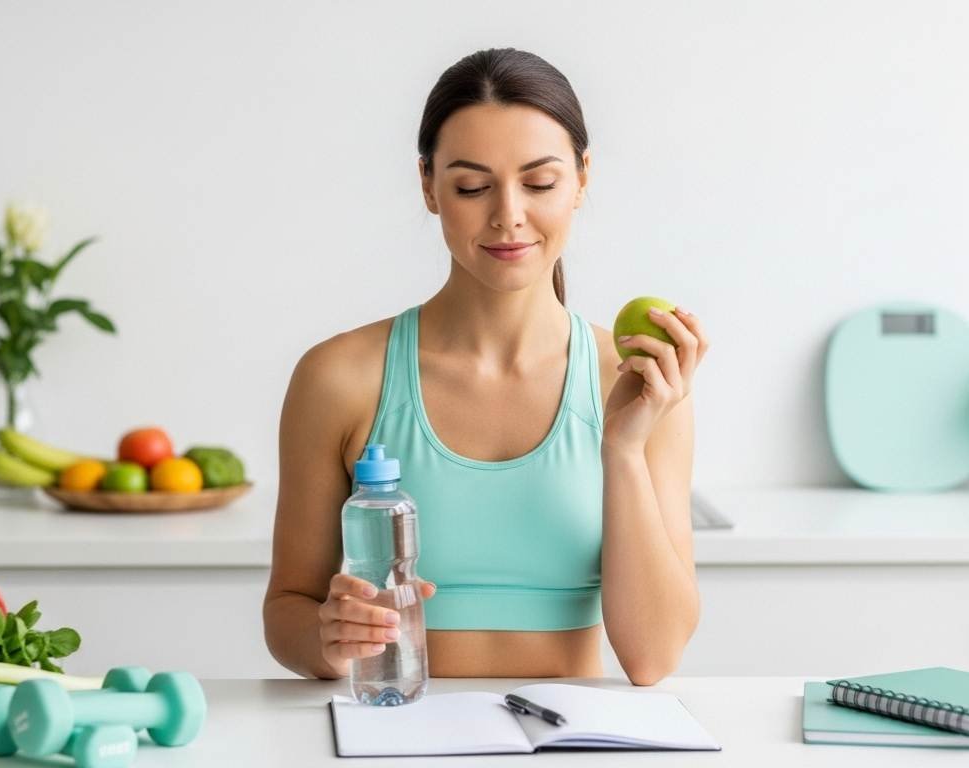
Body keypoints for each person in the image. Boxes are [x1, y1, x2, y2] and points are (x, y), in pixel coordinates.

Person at [263, 47, 709, 686]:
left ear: (582, 178)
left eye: (540, 183)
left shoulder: (640, 379)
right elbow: (288, 610)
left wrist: (624, 449)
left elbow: (653, 658)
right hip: (397, 728)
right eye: (472, 187)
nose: (508, 215)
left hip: (570, 733)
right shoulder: (337, 377)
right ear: (428, 185)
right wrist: (328, 640)